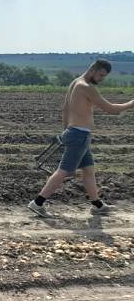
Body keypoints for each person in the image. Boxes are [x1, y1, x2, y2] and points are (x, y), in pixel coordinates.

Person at [28, 59, 133, 218]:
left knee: (88, 171)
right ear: (93, 70)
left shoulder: (75, 83)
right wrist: (131, 103)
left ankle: (97, 206)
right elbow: (110, 109)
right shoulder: (86, 87)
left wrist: (66, 132)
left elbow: (65, 109)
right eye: (100, 75)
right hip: (79, 135)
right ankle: (38, 202)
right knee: (63, 171)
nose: (101, 79)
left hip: (75, 133)